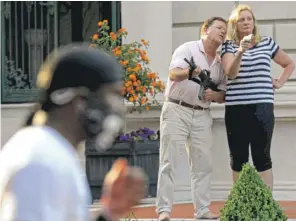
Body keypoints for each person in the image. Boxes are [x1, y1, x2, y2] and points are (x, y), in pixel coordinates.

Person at [0, 45, 148, 221]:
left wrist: (109, 213)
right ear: (80, 101)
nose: (119, 106)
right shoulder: (41, 162)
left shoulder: (51, 151)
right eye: (113, 94)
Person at [156, 17, 228, 221]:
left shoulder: (220, 63)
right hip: (176, 109)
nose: (223, 32)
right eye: (219, 28)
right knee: (168, 161)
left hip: (202, 113)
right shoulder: (187, 49)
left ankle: (203, 210)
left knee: (203, 164)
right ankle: (164, 210)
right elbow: (172, 73)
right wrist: (190, 72)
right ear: (205, 29)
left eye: (225, 30)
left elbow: (224, 93)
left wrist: (215, 96)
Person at [221, 4, 295, 190]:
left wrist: (280, 82)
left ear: (254, 23)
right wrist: (240, 51)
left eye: (249, 19)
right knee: (239, 157)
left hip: (262, 107)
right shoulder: (228, 46)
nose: (246, 23)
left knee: (262, 156)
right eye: (241, 20)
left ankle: (266, 206)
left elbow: (289, 64)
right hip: (237, 109)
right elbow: (231, 73)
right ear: (235, 25)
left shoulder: (266, 42)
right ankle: (241, 204)